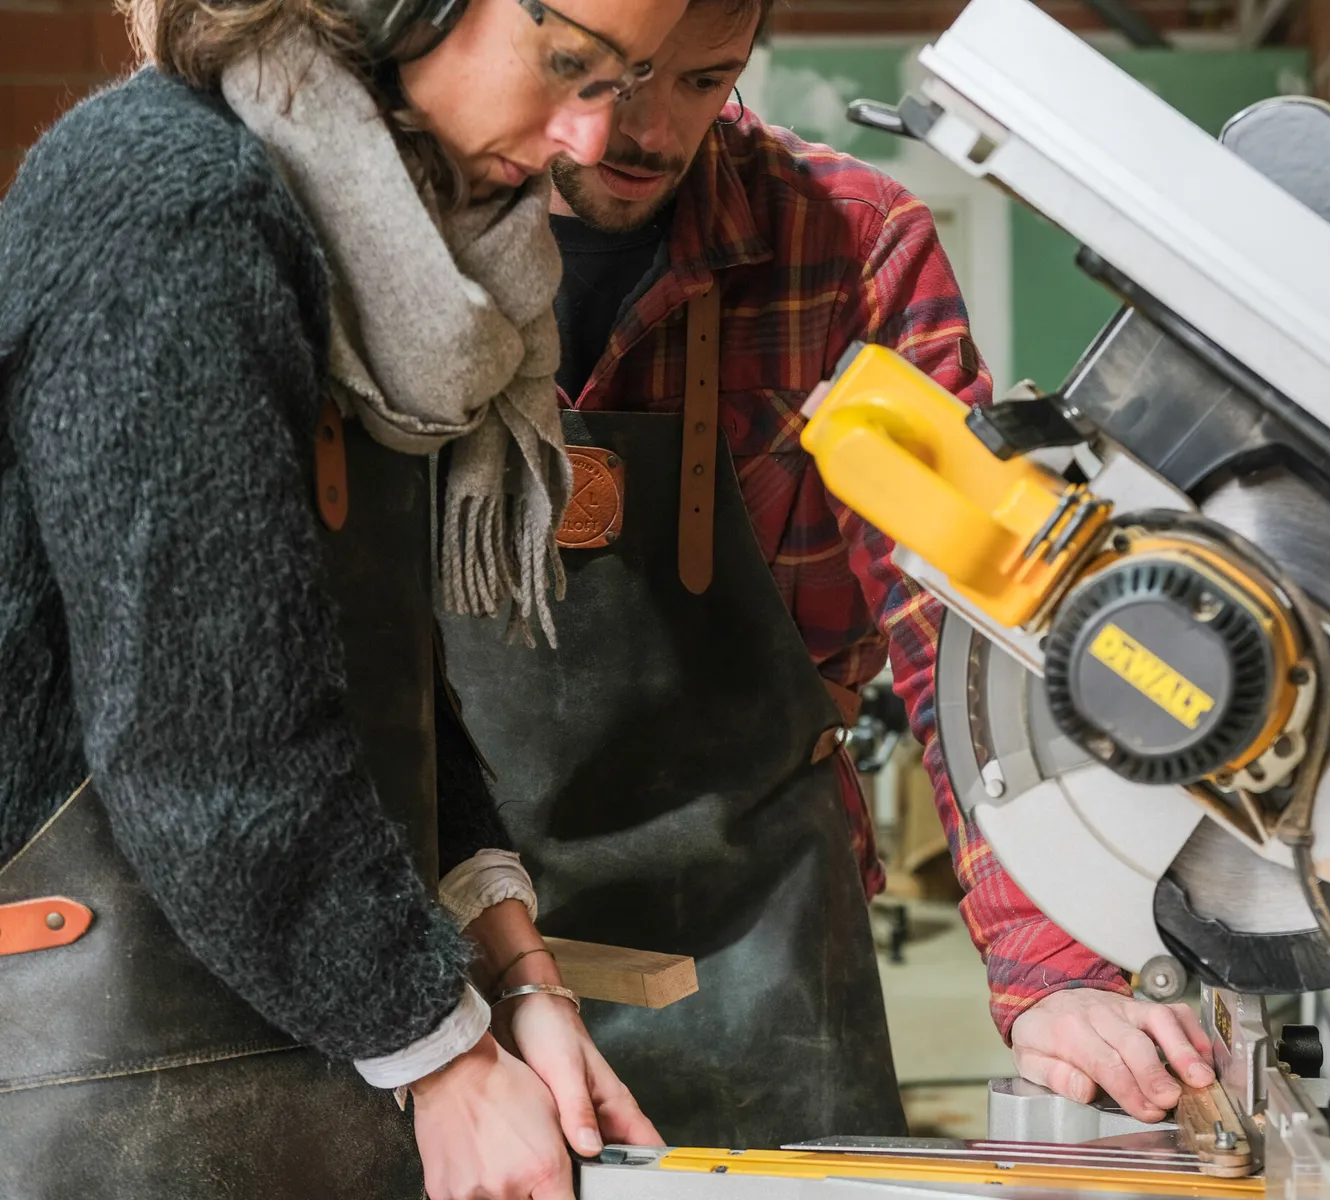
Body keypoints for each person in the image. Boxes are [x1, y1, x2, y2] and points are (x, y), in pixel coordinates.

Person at [438, 0, 1216, 1147]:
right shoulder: (402, 240)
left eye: (701, 83)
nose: (639, 133)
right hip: (445, 912)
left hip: (756, 919)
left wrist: (1049, 965)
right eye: (602, 76)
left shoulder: (849, 242)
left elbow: (961, 608)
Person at [0, 0, 685, 1193]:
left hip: (325, 1028)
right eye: (570, 63)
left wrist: (513, 971)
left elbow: (361, 677)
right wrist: (446, 1062)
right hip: (110, 1073)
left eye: (622, 80)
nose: (585, 138)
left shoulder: (390, 252)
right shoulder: (176, 201)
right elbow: (209, 740)